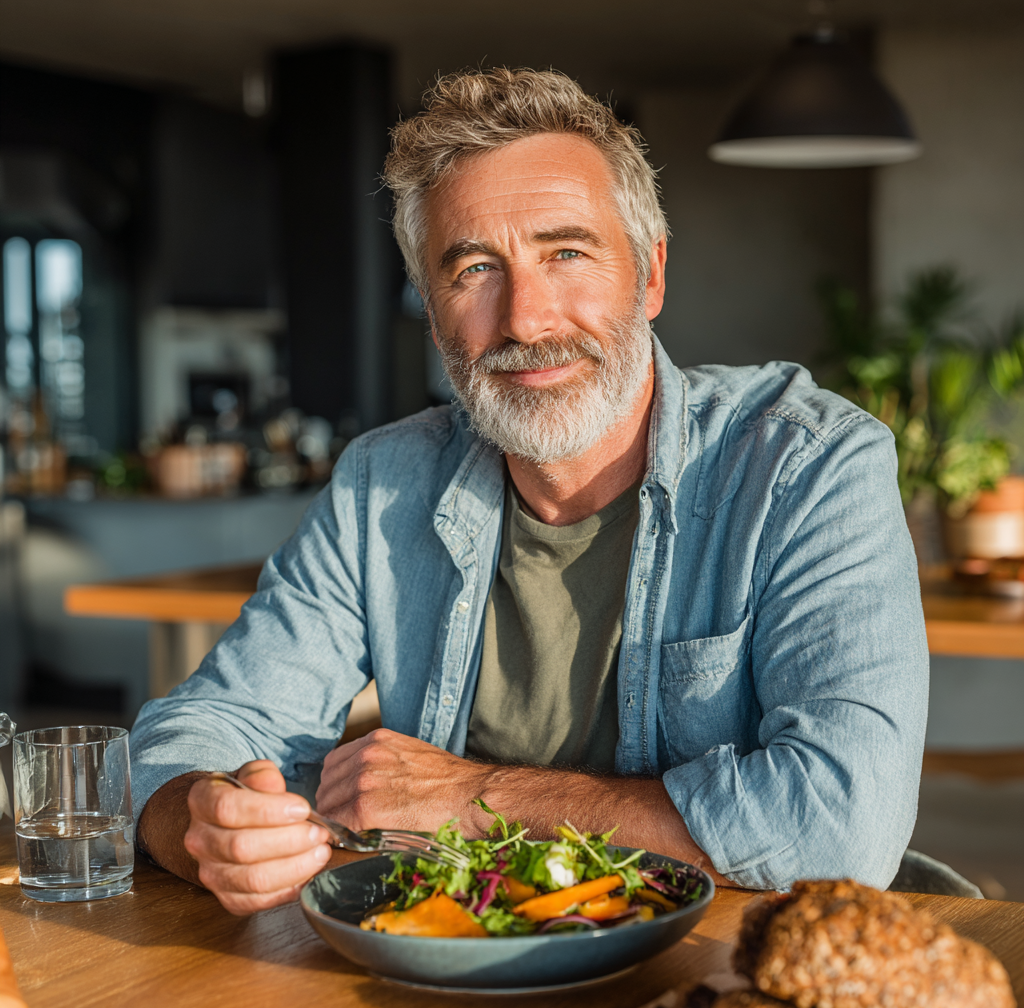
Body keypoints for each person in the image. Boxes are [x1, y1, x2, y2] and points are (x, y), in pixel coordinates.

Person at [131, 68, 929, 916]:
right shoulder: (380, 485)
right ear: (434, 312)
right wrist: (202, 822)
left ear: (650, 276)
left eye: (567, 253)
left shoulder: (807, 465)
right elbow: (204, 725)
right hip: (436, 973)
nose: (526, 319)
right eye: (474, 269)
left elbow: (843, 821)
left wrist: (466, 800)